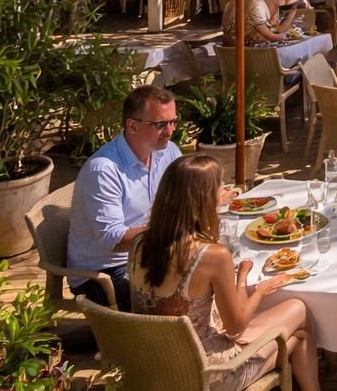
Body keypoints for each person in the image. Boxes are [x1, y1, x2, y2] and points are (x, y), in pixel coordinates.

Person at [131, 154, 320, 390]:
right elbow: (236, 328)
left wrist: (241, 278)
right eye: (220, 187)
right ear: (205, 199)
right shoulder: (211, 255)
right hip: (207, 374)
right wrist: (259, 291)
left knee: (300, 336)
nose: (225, 193)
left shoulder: (140, 242)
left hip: (153, 362)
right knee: (298, 312)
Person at [69, 86, 189, 311]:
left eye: (173, 122)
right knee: (185, 294)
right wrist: (169, 228)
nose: (170, 131)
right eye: (161, 124)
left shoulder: (168, 151)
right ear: (132, 126)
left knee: (212, 268)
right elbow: (115, 240)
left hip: (150, 254)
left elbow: (184, 195)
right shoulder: (103, 171)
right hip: (105, 272)